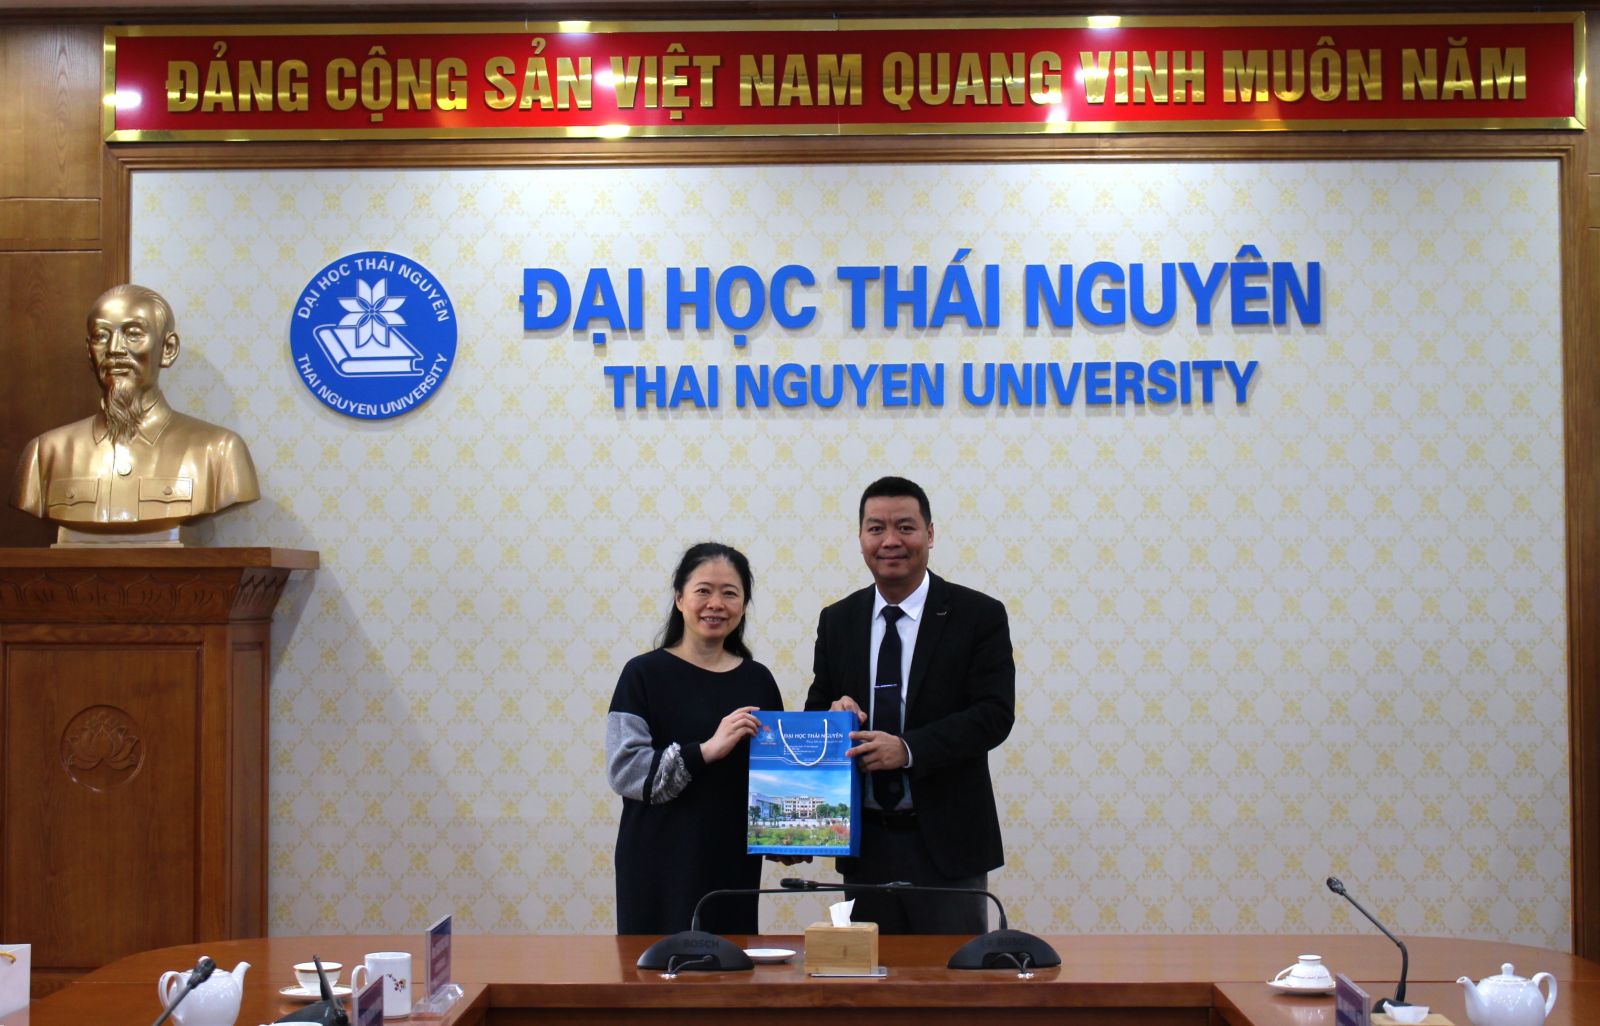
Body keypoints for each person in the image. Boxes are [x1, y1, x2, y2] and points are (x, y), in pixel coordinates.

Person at [804, 476, 1015, 934]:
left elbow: (993, 715)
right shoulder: (838, 620)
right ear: (860, 537)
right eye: (876, 528)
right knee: (867, 973)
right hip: (864, 843)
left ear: (930, 534)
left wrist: (907, 749)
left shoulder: (978, 615)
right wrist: (832, 716)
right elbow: (815, 711)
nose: (890, 541)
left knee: (952, 974)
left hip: (947, 844)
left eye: (905, 527)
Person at [607, 542, 783, 935]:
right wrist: (704, 751)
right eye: (703, 590)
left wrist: (787, 839)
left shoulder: (758, 680)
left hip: (730, 868)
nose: (715, 604)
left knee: (732, 966)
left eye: (730, 593)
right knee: (654, 968)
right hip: (656, 864)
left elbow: (773, 779)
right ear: (679, 598)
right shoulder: (642, 674)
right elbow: (624, 770)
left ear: (743, 605)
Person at [10, 284, 259, 529]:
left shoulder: (219, 451)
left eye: (133, 334)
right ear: (89, 352)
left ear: (168, 349)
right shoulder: (45, 454)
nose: (114, 349)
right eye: (101, 336)